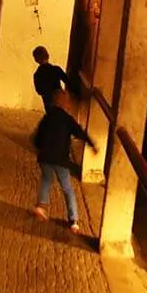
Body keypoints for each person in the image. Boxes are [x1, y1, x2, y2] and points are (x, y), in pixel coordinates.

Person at [31, 90, 97, 233]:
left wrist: (40, 149)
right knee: (67, 189)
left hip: (45, 157)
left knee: (46, 180)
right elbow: (80, 132)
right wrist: (92, 144)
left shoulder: (47, 117)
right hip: (60, 159)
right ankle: (73, 220)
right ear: (65, 103)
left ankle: (41, 207)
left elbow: (37, 138)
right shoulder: (67, 119)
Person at [32, 46, 69, 112]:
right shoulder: (56, 69)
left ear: (36, 60)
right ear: (48, 55)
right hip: (61, 103)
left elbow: (39, 91)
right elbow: (68, 81)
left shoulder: (37, 75)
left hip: (49, 106)